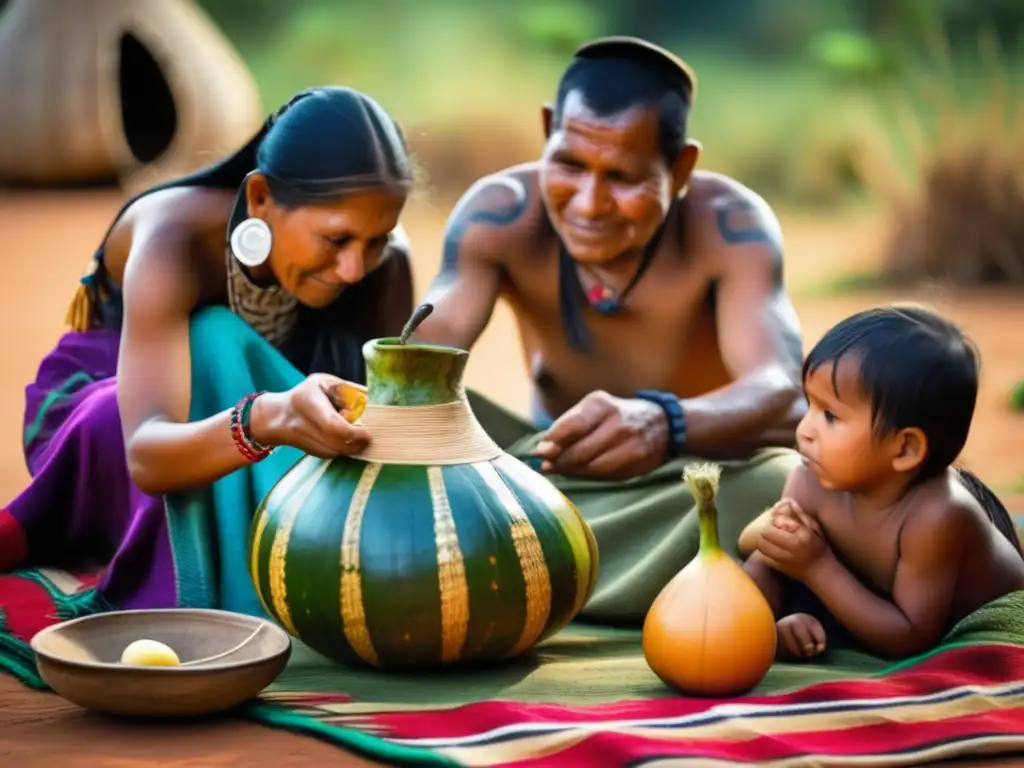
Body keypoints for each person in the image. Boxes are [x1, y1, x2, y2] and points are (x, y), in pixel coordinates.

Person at [411, 36, 806, 624]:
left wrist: (664, 421)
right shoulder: (499, 212)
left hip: (687, 484)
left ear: (680, 169)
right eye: (569, 164)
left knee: (781, 490)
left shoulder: (731, 225)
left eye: (622, 177)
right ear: (548, 129)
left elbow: (783, 390)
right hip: (540, 481)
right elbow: (418, 365)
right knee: (416, 431)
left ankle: (525, 575)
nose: (590, 204)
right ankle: (590, 573)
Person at [1, 86, 415, 618]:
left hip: (268, 436)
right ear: (262, 198)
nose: (356, 268)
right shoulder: (175, 237)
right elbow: (146, 454)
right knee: (214, 337)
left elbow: (376, 424)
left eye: (377, 239)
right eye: (336, 240)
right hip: (107, 425)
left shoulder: (386, 269)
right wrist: (268, 416)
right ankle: (233, 585)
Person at [743, 306, 1024, 661]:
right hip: (870, 600)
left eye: (829, 415)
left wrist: (817, 567)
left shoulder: (936, 517)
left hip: (954, 623)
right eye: (809, 404)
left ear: (905, 448)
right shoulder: (808, 480)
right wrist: (766, 625)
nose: (804, 430)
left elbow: (910, 637)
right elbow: (771, 562)